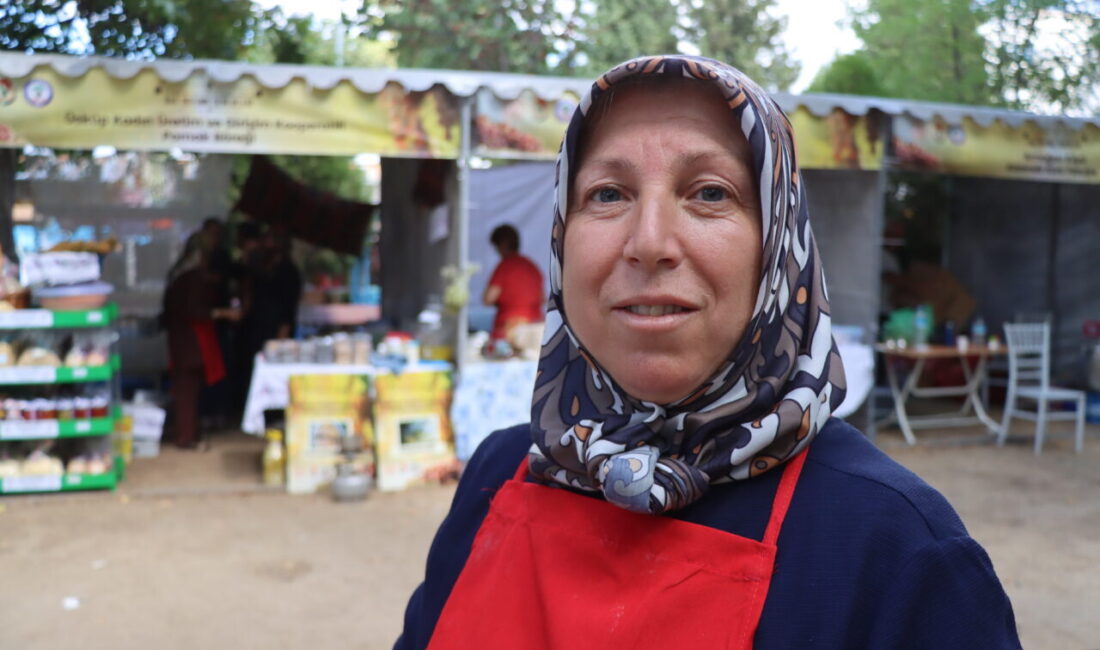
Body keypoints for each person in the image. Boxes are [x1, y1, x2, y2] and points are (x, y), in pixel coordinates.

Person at [395, 55, 1020, 648]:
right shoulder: (496, 474)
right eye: (608, 194)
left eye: (711, 193)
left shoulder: (895, 549)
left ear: (779, 247)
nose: (649, 243)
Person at [161, 233, 227, 449]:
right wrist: (221, 313)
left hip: (179, 339)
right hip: (191, 340)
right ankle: (186, 437)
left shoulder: (177, 273)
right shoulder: (192, 276)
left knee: (186, 389)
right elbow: (195, 310)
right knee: (187, 391)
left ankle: (189, 433)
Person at [483, 224, 544, 342]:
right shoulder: (532, 266)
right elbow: (542, 298)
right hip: (535, 326)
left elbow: (488, 299)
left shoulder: (504, 266)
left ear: (502, 245)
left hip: (509, 329)